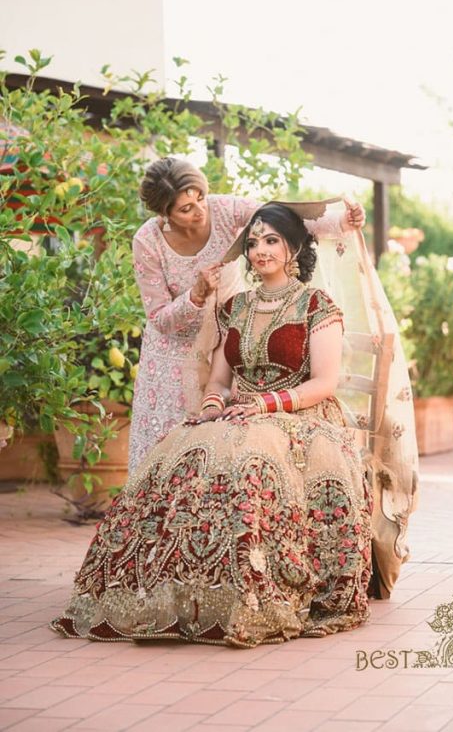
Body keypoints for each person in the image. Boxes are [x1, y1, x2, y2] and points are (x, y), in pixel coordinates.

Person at [52, 203, 374, 646]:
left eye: (271, 240)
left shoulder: (317, 305)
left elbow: (324, 383)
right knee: (175, 453)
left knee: (250, 464)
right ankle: (170, 593)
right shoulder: (236, 306)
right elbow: (220, 380)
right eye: (254, 241)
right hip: (237, 413)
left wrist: (264, 405)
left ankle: (250, 596)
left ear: (294, 246)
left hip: (301, 415)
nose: (260, 250)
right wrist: (208, 408)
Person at [128, 158, 365, 476]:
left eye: (200, 196)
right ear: (164, 213)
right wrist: (196, 296)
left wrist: (343, 221)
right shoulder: (148, 241)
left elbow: (283, 221)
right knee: (170, 451)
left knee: (226, 450)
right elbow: (158, 317)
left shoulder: (225, 209)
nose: (200, 210)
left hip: (237, 334)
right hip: (174, 355)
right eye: (185, 208)